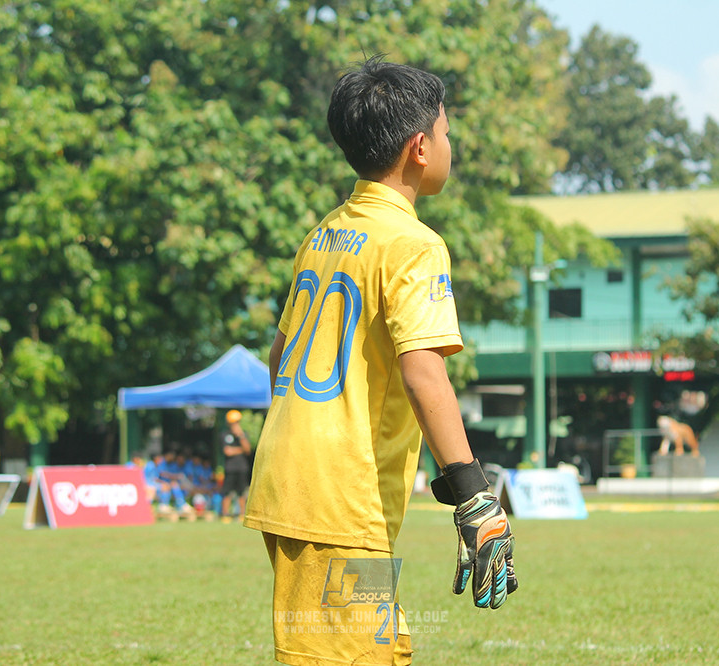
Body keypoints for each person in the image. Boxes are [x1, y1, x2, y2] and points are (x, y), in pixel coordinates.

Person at [243, 55, 517, 666]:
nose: (451, 144)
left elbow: (281, 352)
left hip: (301, 482)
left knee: (380, 648)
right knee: (346, 656)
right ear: (420, 147)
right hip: (338, 497)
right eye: (447, 133)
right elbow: (424, 370)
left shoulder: (326, 232)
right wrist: (474, 496)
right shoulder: (413, 244)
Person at [219, 410, 251, 522]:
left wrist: (240, 436)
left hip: (242, 468)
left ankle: (241, 514)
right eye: (233, 423)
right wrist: (240, 450)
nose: (235, 425)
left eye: (237, 422)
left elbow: (247, 449)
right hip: (230, 468)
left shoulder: (244, 434)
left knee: (241, 492)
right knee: (227, 492)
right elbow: (227, 451)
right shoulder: (225, 434)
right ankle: (225, 514)